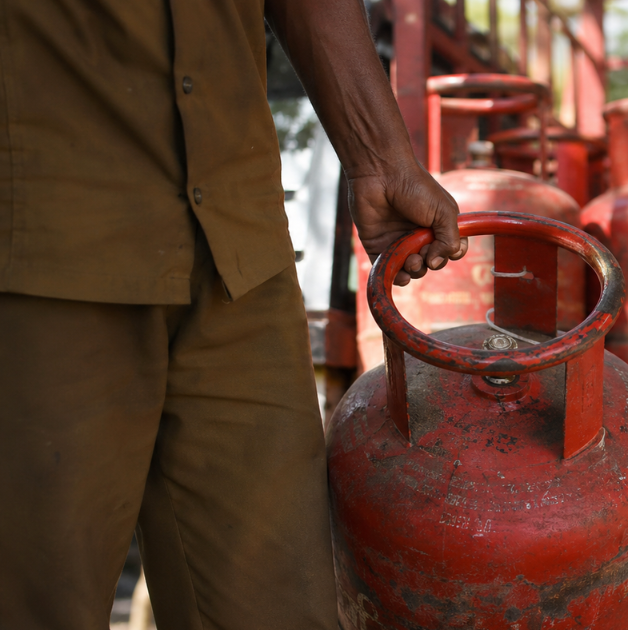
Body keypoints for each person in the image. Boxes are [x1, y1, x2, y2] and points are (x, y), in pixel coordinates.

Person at [0, 0, 465, 628]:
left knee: (279, 604)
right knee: (37, 598)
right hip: (50, 229)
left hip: (233, 235)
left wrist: (379, 156)